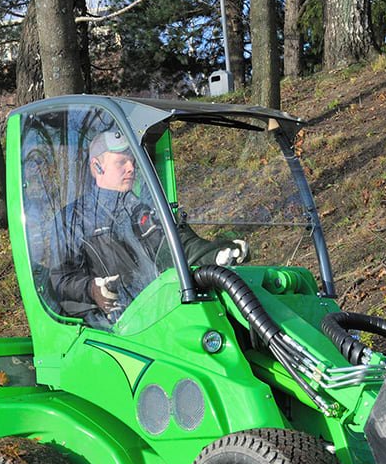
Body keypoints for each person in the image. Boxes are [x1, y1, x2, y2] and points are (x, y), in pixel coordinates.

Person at [50, 130, 247, 323]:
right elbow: (61, 278)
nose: (131, 168)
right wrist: (92, 289)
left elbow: (178, 244)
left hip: (162, 312)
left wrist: (214, 254)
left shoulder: (144, 208)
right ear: (97, 167)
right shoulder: (73, 219)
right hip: (112, 327)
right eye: (121, 162)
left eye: (133, 161)